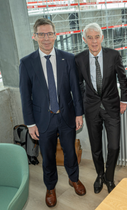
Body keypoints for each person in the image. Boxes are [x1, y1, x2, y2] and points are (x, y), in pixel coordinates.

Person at [19, 18, 86, 208]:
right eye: (41, 34)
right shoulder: (26, 63)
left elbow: (76, 88)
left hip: (67, 116)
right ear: (35, 37)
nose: (46, 38)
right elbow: (25, 97)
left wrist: (79, 113)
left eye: (49, 34)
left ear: (55, 35)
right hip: (42, 120)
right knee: (47, 157)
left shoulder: (68, 58)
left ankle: (74, 179)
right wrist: (30, 124)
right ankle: (50, 187)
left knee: (70, 153)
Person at [75, 23, 127, 193]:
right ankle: (100, 175)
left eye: (97, 36)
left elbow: (122, 79)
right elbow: (78, 84)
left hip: (112, 107)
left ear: (102, 38)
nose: (94, 41)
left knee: (114, 146)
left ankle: (109, 178)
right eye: (89, 37)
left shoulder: (113, 55)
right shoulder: (79, 59)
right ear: (84, 39)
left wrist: (124, 100)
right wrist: (85, 101)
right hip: (92, 109)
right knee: (96, 147)